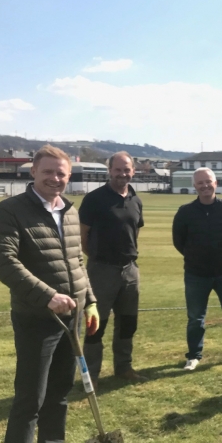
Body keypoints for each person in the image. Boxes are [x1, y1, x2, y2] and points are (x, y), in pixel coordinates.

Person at [0, 145, 100, 443]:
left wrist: (91, 299)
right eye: (49, 171)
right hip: (36, 318)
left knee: (60, 392)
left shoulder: (69, 210)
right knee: (29, 398)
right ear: (33, 172)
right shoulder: (10, 210)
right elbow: (4, 262)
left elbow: (76, 260)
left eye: (62, 173)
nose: (56, 178)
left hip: (71, 316)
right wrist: (48, 295)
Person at [172, 167, 222, 371]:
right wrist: (196, 258)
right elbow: (178, 241)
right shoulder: (185, 212)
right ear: (195, 186)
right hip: (196, 274)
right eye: (200, 183)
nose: (205, 185)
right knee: (195, 318)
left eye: (208, 182)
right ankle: (194, 356)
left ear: (215, 183)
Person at [80, 152, 146, 388]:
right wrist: (98, 259)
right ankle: (93, 376)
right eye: (118, 170)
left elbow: (134, 233)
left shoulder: (136, 200)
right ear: (110, 170)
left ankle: (124, 368)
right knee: (96, 325)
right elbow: (83, 236)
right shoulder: (94, 199)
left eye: (126, 169)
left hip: (130, 270)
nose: (122, 174)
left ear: (133, 171)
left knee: (128, 323)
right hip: (101, 271)